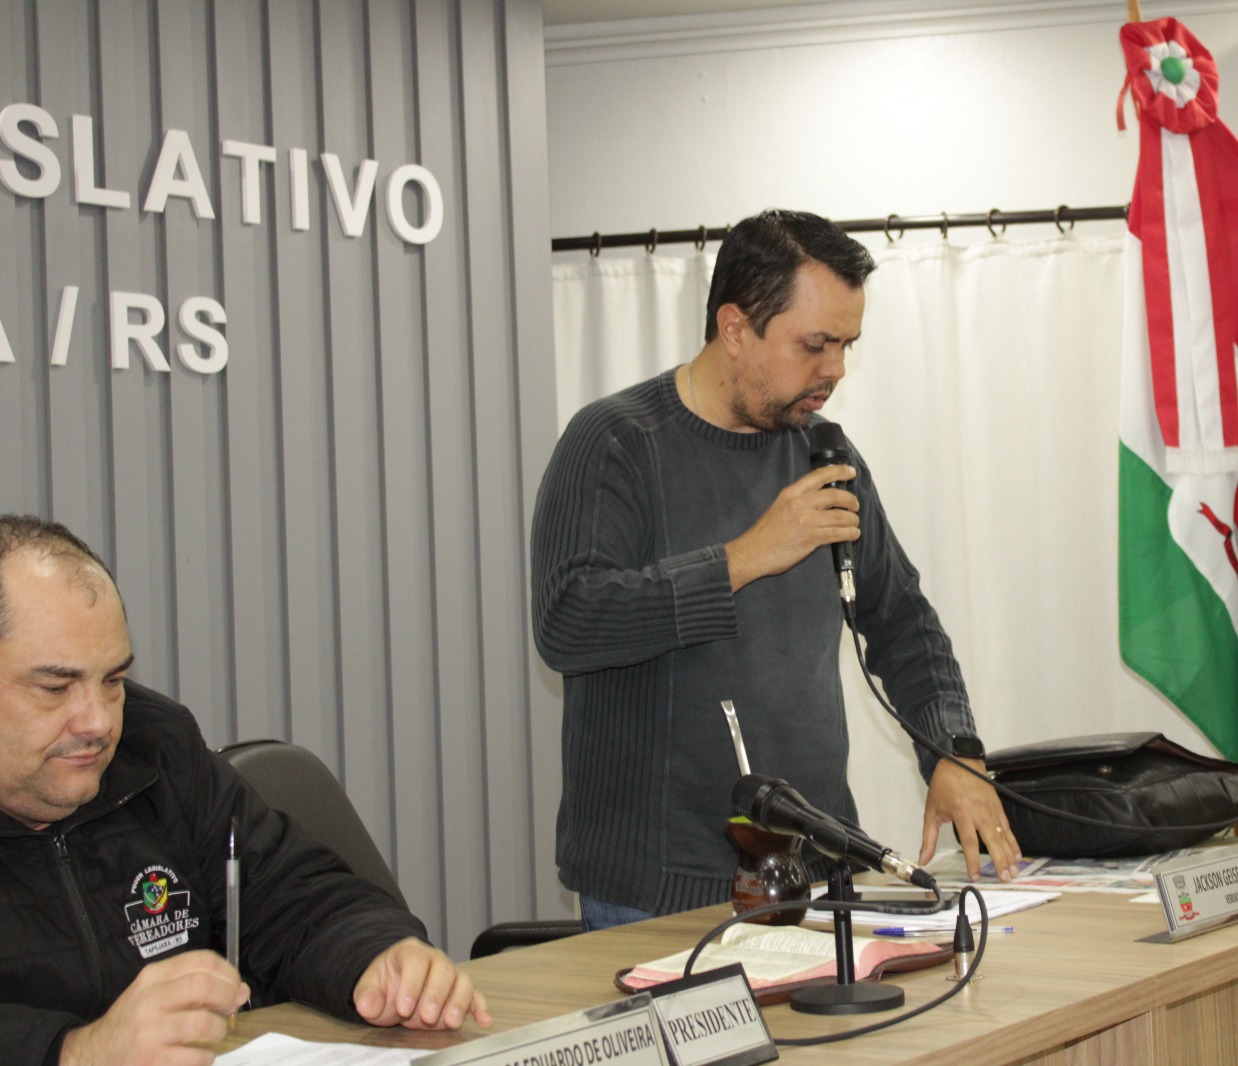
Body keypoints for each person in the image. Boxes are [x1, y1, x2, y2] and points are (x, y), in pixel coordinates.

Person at [531, 208, 1021, 929]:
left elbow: (903, 621)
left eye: (846, 345)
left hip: (817, 870)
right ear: (735, 328)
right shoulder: (616, 443)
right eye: (815, 345)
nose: (835, 370)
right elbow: (568, 622)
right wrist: (746, 558)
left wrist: (955, 751)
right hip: (656, 892)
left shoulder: (823, 452)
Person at [0, 516, 492, 1066]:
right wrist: (73, 1052)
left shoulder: (155, 747)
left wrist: (378, 953)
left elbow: (289, 893)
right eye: (55, 687)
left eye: (112, 681)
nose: (97, 722)